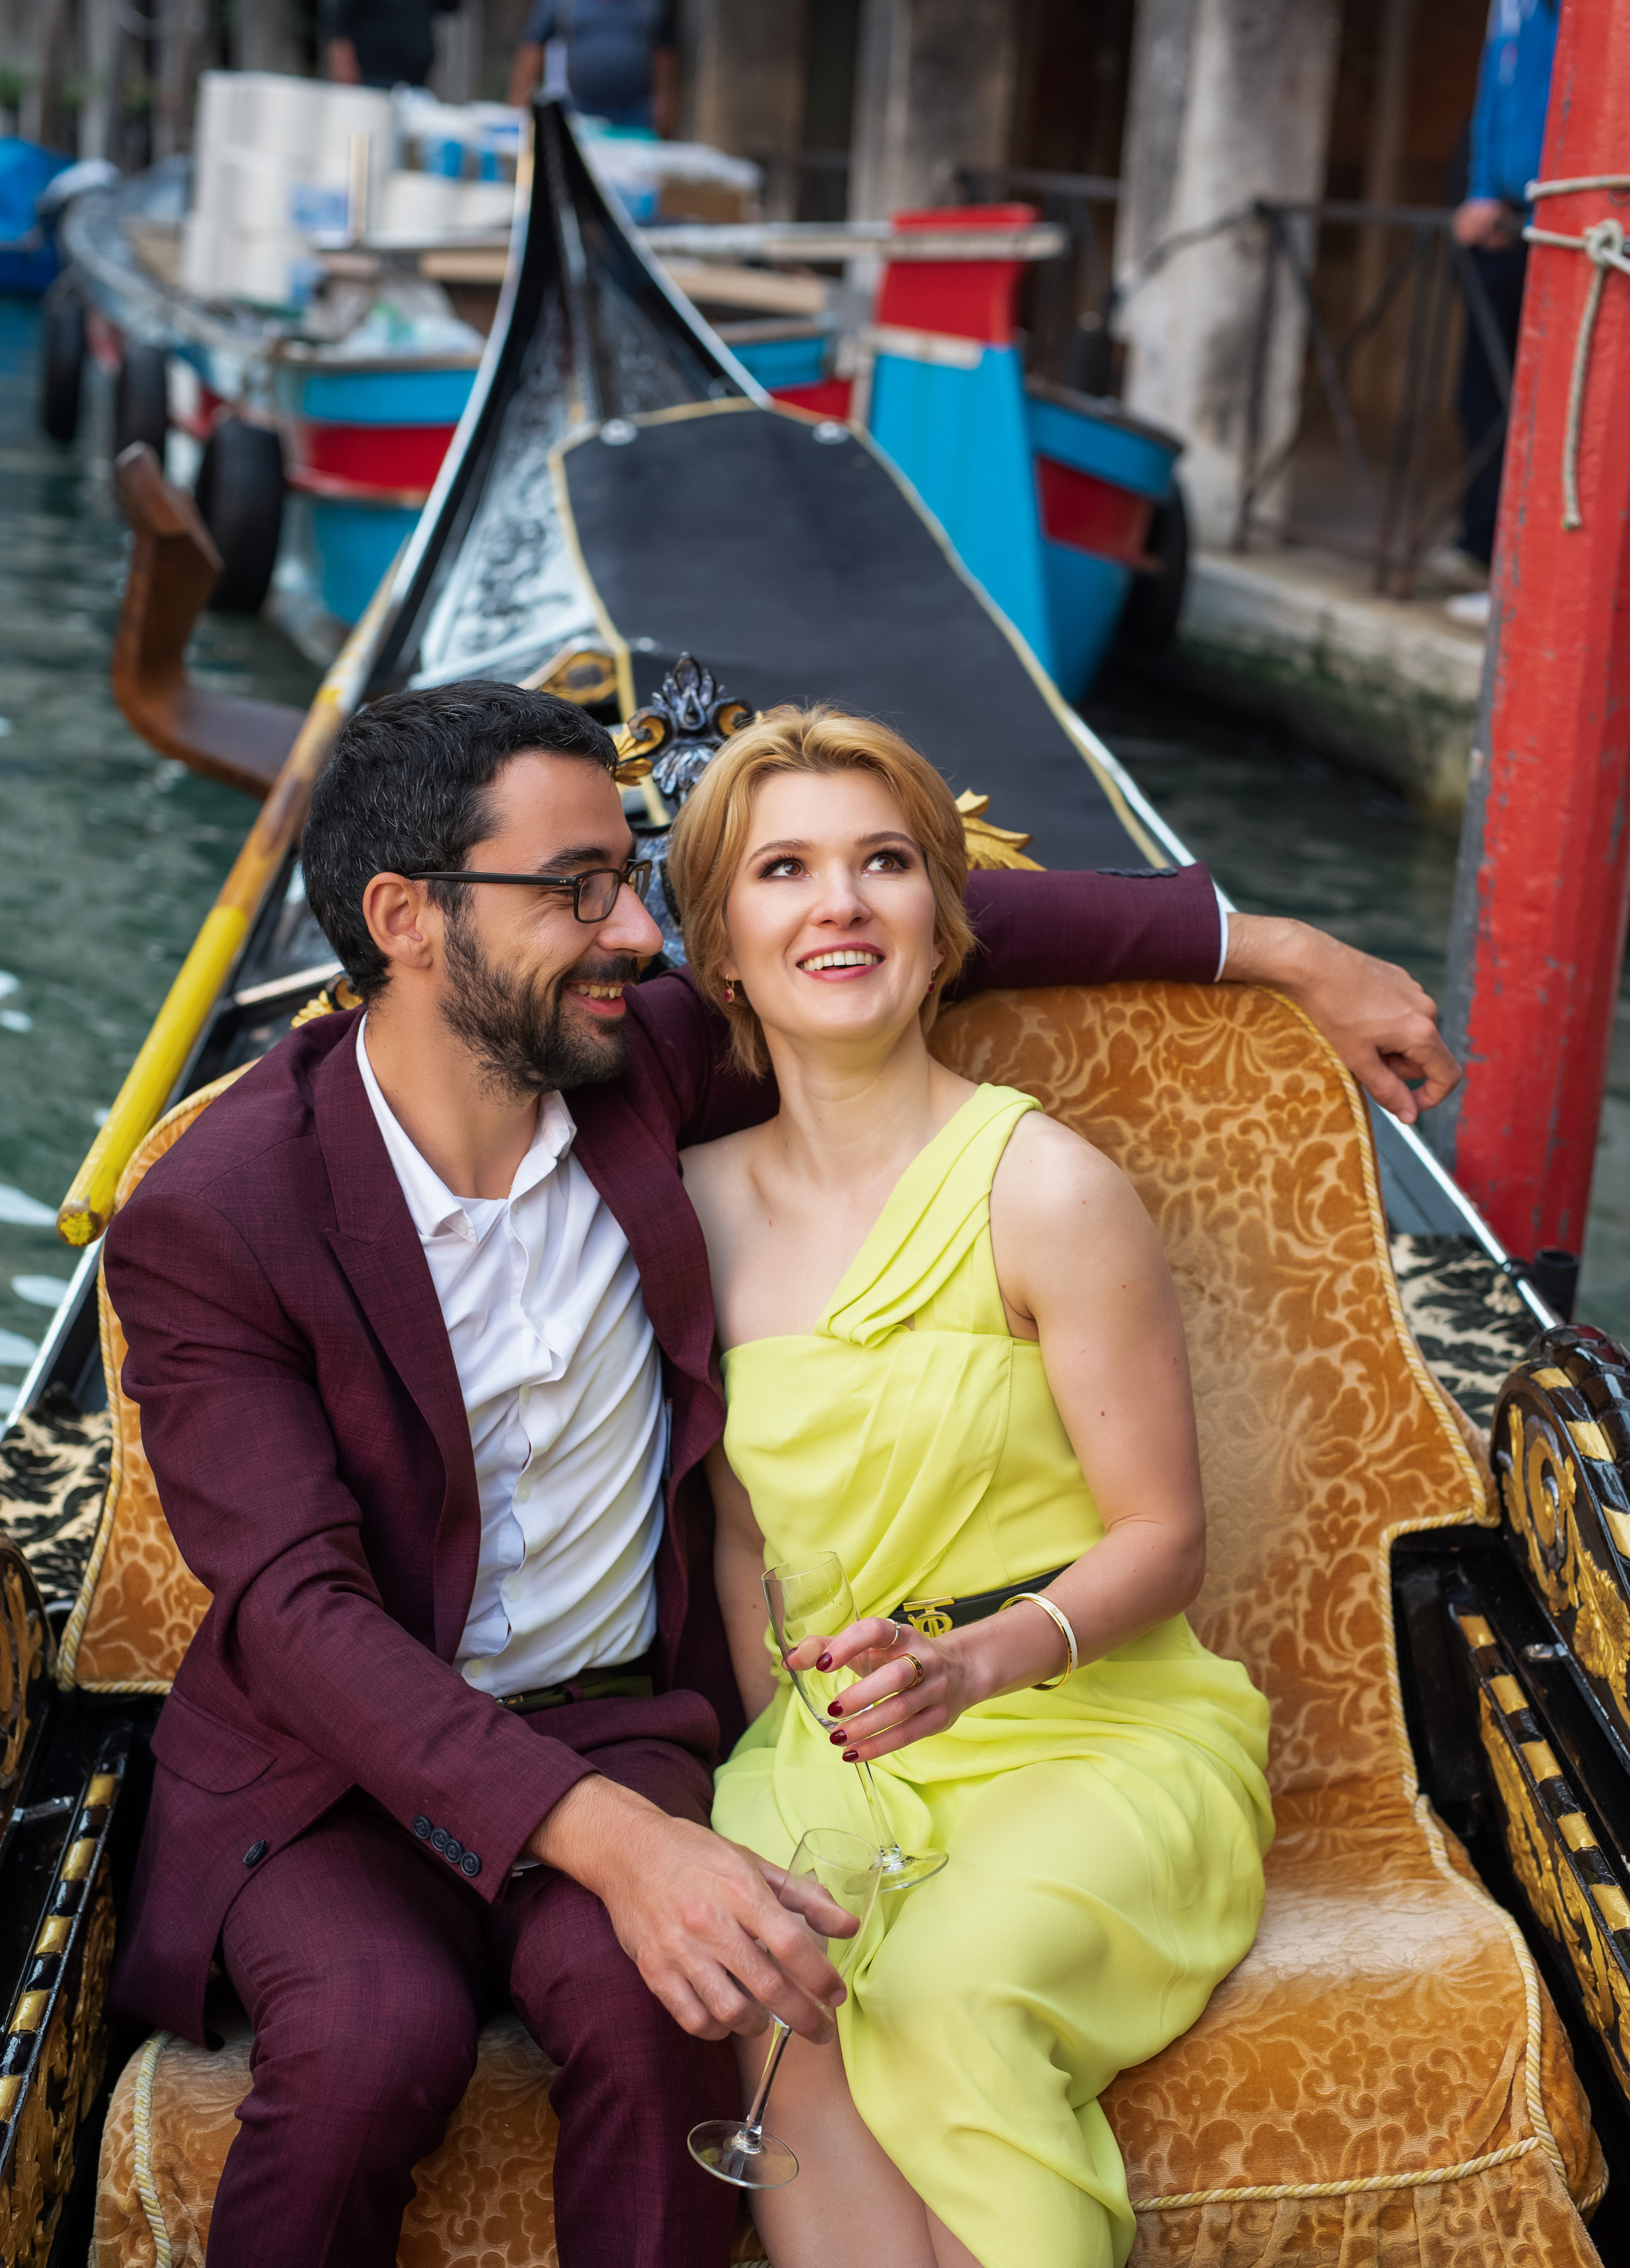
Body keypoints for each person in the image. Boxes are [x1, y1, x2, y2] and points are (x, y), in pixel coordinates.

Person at [103, 680, 1454, 2268]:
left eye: (633, 878)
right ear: (406, 917)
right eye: (580, 887)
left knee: (687, 1995)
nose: (632, 932)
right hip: (337, 1767)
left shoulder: (638, 1070)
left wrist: (1276, 944)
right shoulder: (215, 1210)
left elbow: (894, 925)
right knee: (368, 2045)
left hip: (624, 1705)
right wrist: (613, 1837)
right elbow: (297, 1612)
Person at [673, 707, 1273, 2267]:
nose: (840, 902)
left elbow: (1163, 1534)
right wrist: (782, 1753)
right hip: (830, 1742)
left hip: (1091, 1728)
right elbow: (744, 1540)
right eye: (784, 868)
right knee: (775, 1970)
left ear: (941, 924)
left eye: (883, 864)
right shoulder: (689, 1210)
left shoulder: (1046, 1187)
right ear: (723, 947)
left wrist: (973, 1661)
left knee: (941, 1981)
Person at [1449, 0, 1559, 590]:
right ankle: (1485, 554)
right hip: (1505, 225)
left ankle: (1516, 576)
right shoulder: (1510, 8)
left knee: (1548, 407)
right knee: (1483, 397)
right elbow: (1494, 92)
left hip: (1564, 227)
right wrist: (1482, 188)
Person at [507, 0, 677, 134]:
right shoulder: (563, 3)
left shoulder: (650, 4)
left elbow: (663, 51)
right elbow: (533, 46)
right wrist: (517, 109)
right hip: (577, 111)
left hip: (636, 114)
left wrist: (663, 101)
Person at [325, 0, 460, 90]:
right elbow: (340, 26)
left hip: (414, 87)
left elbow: (451, 5)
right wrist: (345, 79)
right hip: (370, 82)